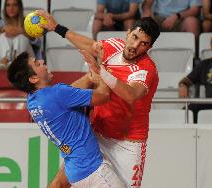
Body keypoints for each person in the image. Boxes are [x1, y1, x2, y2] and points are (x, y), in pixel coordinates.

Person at [36, 10, 160, 187]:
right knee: (59, 184)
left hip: (128, 145)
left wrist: (101, 70)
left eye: (143, 43)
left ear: (149, 48)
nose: (135, 45)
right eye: (134, 37)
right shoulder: (114, 46)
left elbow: (130, 95)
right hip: (95, 136)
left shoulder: (146, 69)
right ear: (128, 32)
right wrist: (57, 27)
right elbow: (91, 45)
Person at [7, 51, 125, 188]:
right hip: (94, 170)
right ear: (33, 78)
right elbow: (103, 95)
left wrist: (89, 76)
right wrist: (102, 70)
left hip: (75, 174)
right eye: (36, 63)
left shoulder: (33, 101)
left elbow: (69, 93)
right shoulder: (58, 93)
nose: (42, 61)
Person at [0, 0, 40, 70]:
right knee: (2, 36)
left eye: (15, 5)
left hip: (27, 63)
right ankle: (5, 61)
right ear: (5, 8)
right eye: (8, 5)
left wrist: (21, 31)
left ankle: (14, 62)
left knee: (21, 37)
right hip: (5, 64)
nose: (11, 8)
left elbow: (37, 41)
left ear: (19, 7)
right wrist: (2, 29)